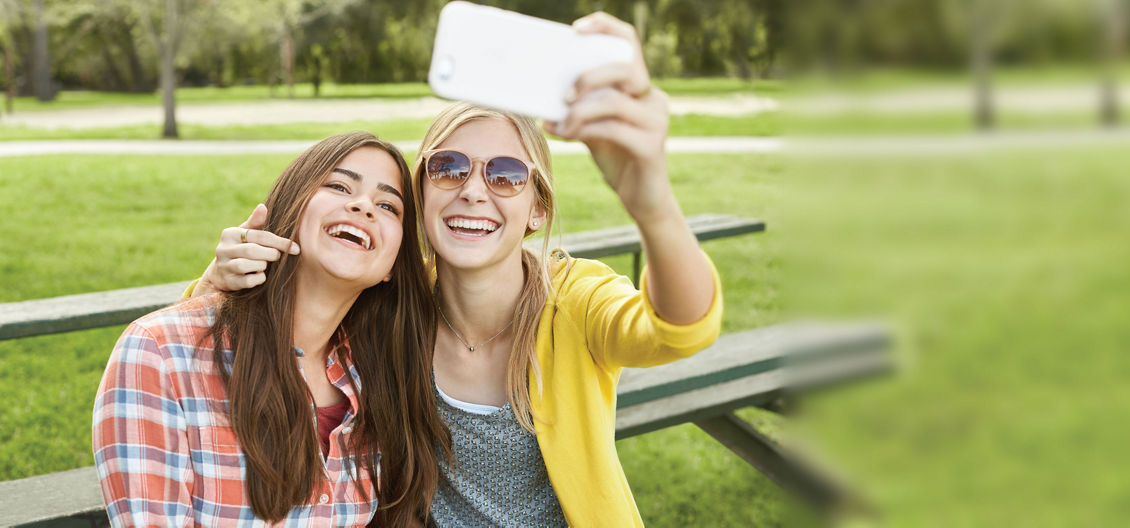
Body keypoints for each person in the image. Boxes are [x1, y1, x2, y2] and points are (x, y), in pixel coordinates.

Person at [192, 12, 720, 526]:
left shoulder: (574, 301)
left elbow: (680, 330)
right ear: (421, 193)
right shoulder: (388, 301)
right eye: (448, 168)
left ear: (537, 208)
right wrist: (219, 280)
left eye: (507, 175)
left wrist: (651, 203)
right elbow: (244, 339)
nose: (472, 190)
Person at [92, 132, 450, 527]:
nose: (362, 205)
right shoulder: (158, 353)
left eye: (387, 205)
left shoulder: (378, 374)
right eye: (338, 185)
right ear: (290, 206)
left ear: (391, 267)